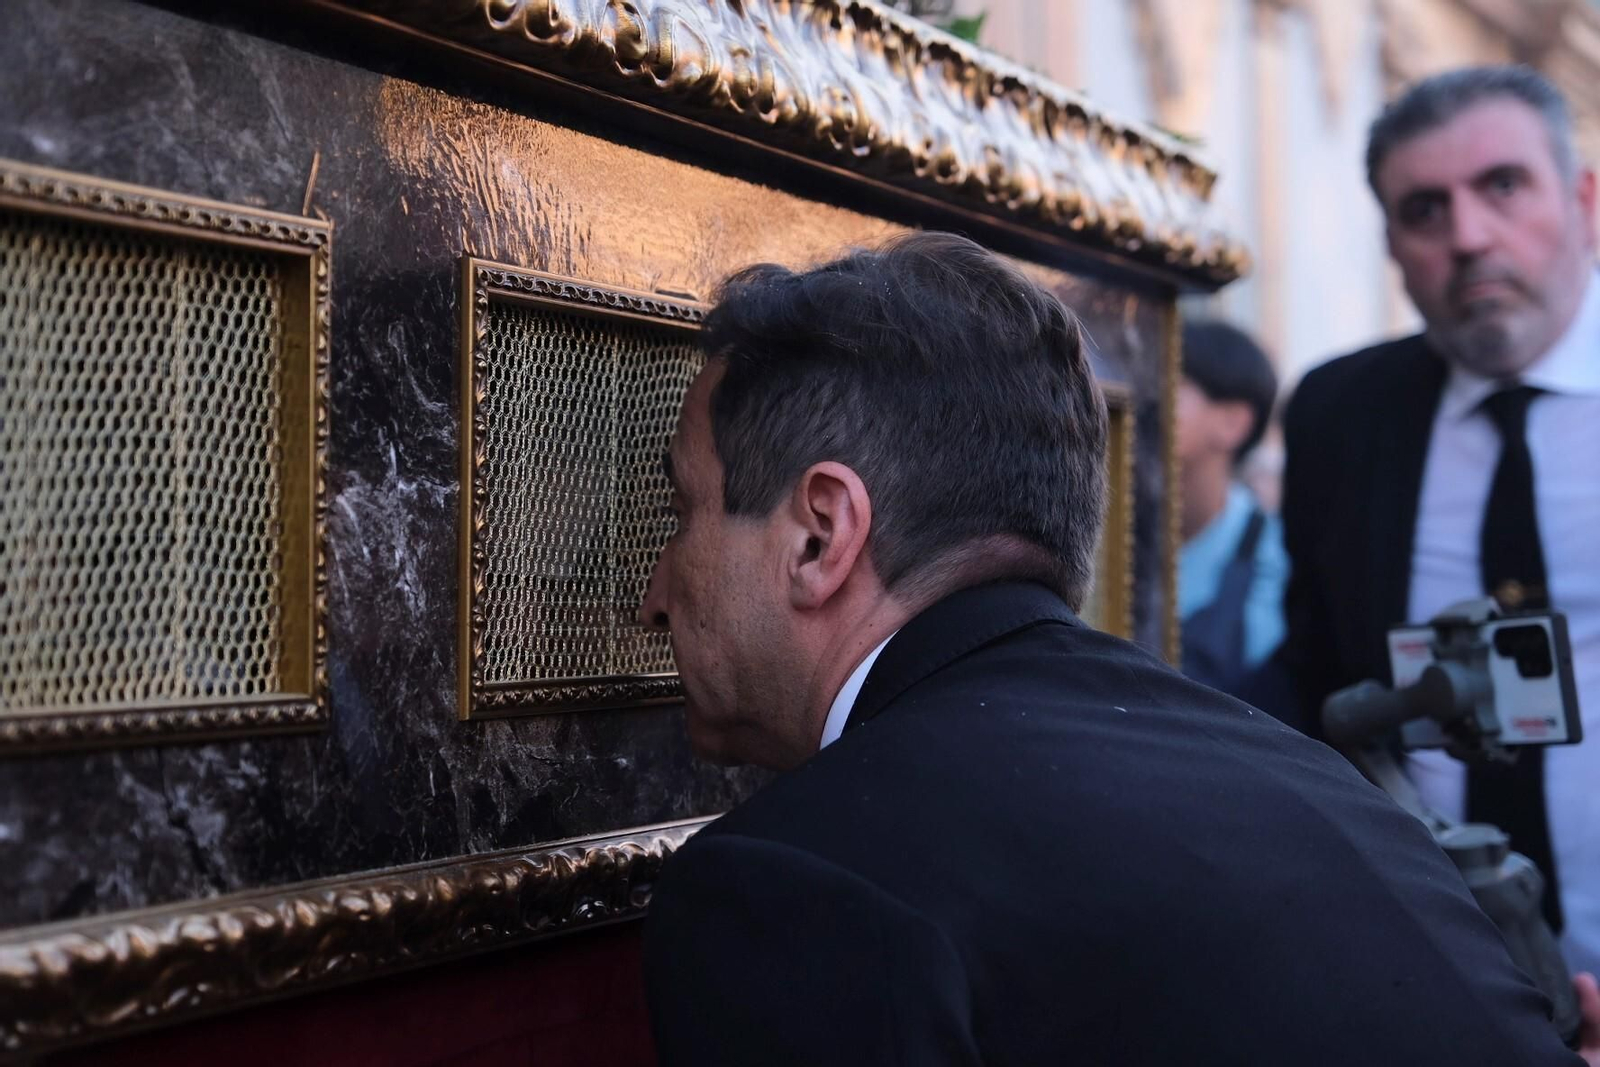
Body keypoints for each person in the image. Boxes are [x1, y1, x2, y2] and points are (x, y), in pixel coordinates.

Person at [637, 231, 1586, 1064]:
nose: (652, 596)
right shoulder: (1310, 776)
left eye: (684, 512)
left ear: (820, 534)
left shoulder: (792, 885)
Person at [1279, 65, 1600, 987]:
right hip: (1430, 979)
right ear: (1392, 243)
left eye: (1503, 186)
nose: (1467, 236)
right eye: (1425, 209)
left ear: (1582, 198)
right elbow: (1320, 680)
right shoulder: (1342, 414)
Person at [1176, 320, 1288, 697]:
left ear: (1233, 422)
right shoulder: (1101, 539)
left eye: (1168, 382)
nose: (1139, 397)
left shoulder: (1277, 559)